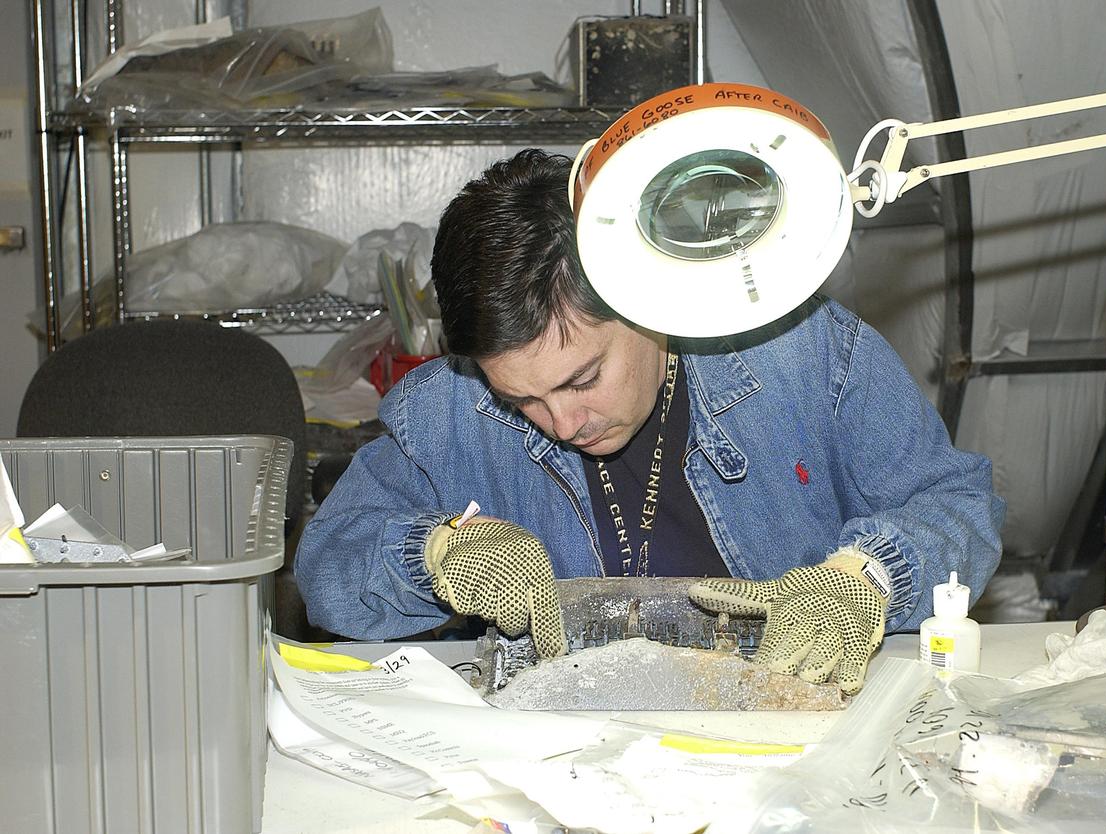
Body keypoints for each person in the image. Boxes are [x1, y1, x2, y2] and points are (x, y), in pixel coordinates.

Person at [295, 148, 1005, 695]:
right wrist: (432, 555)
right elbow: (326, 571)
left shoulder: (806, 353)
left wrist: (868, 577)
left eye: (583, 379)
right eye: (521, 402)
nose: (564, 422)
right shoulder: (449, 408)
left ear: (644, 298)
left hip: (790, 732)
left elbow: (959, 508)